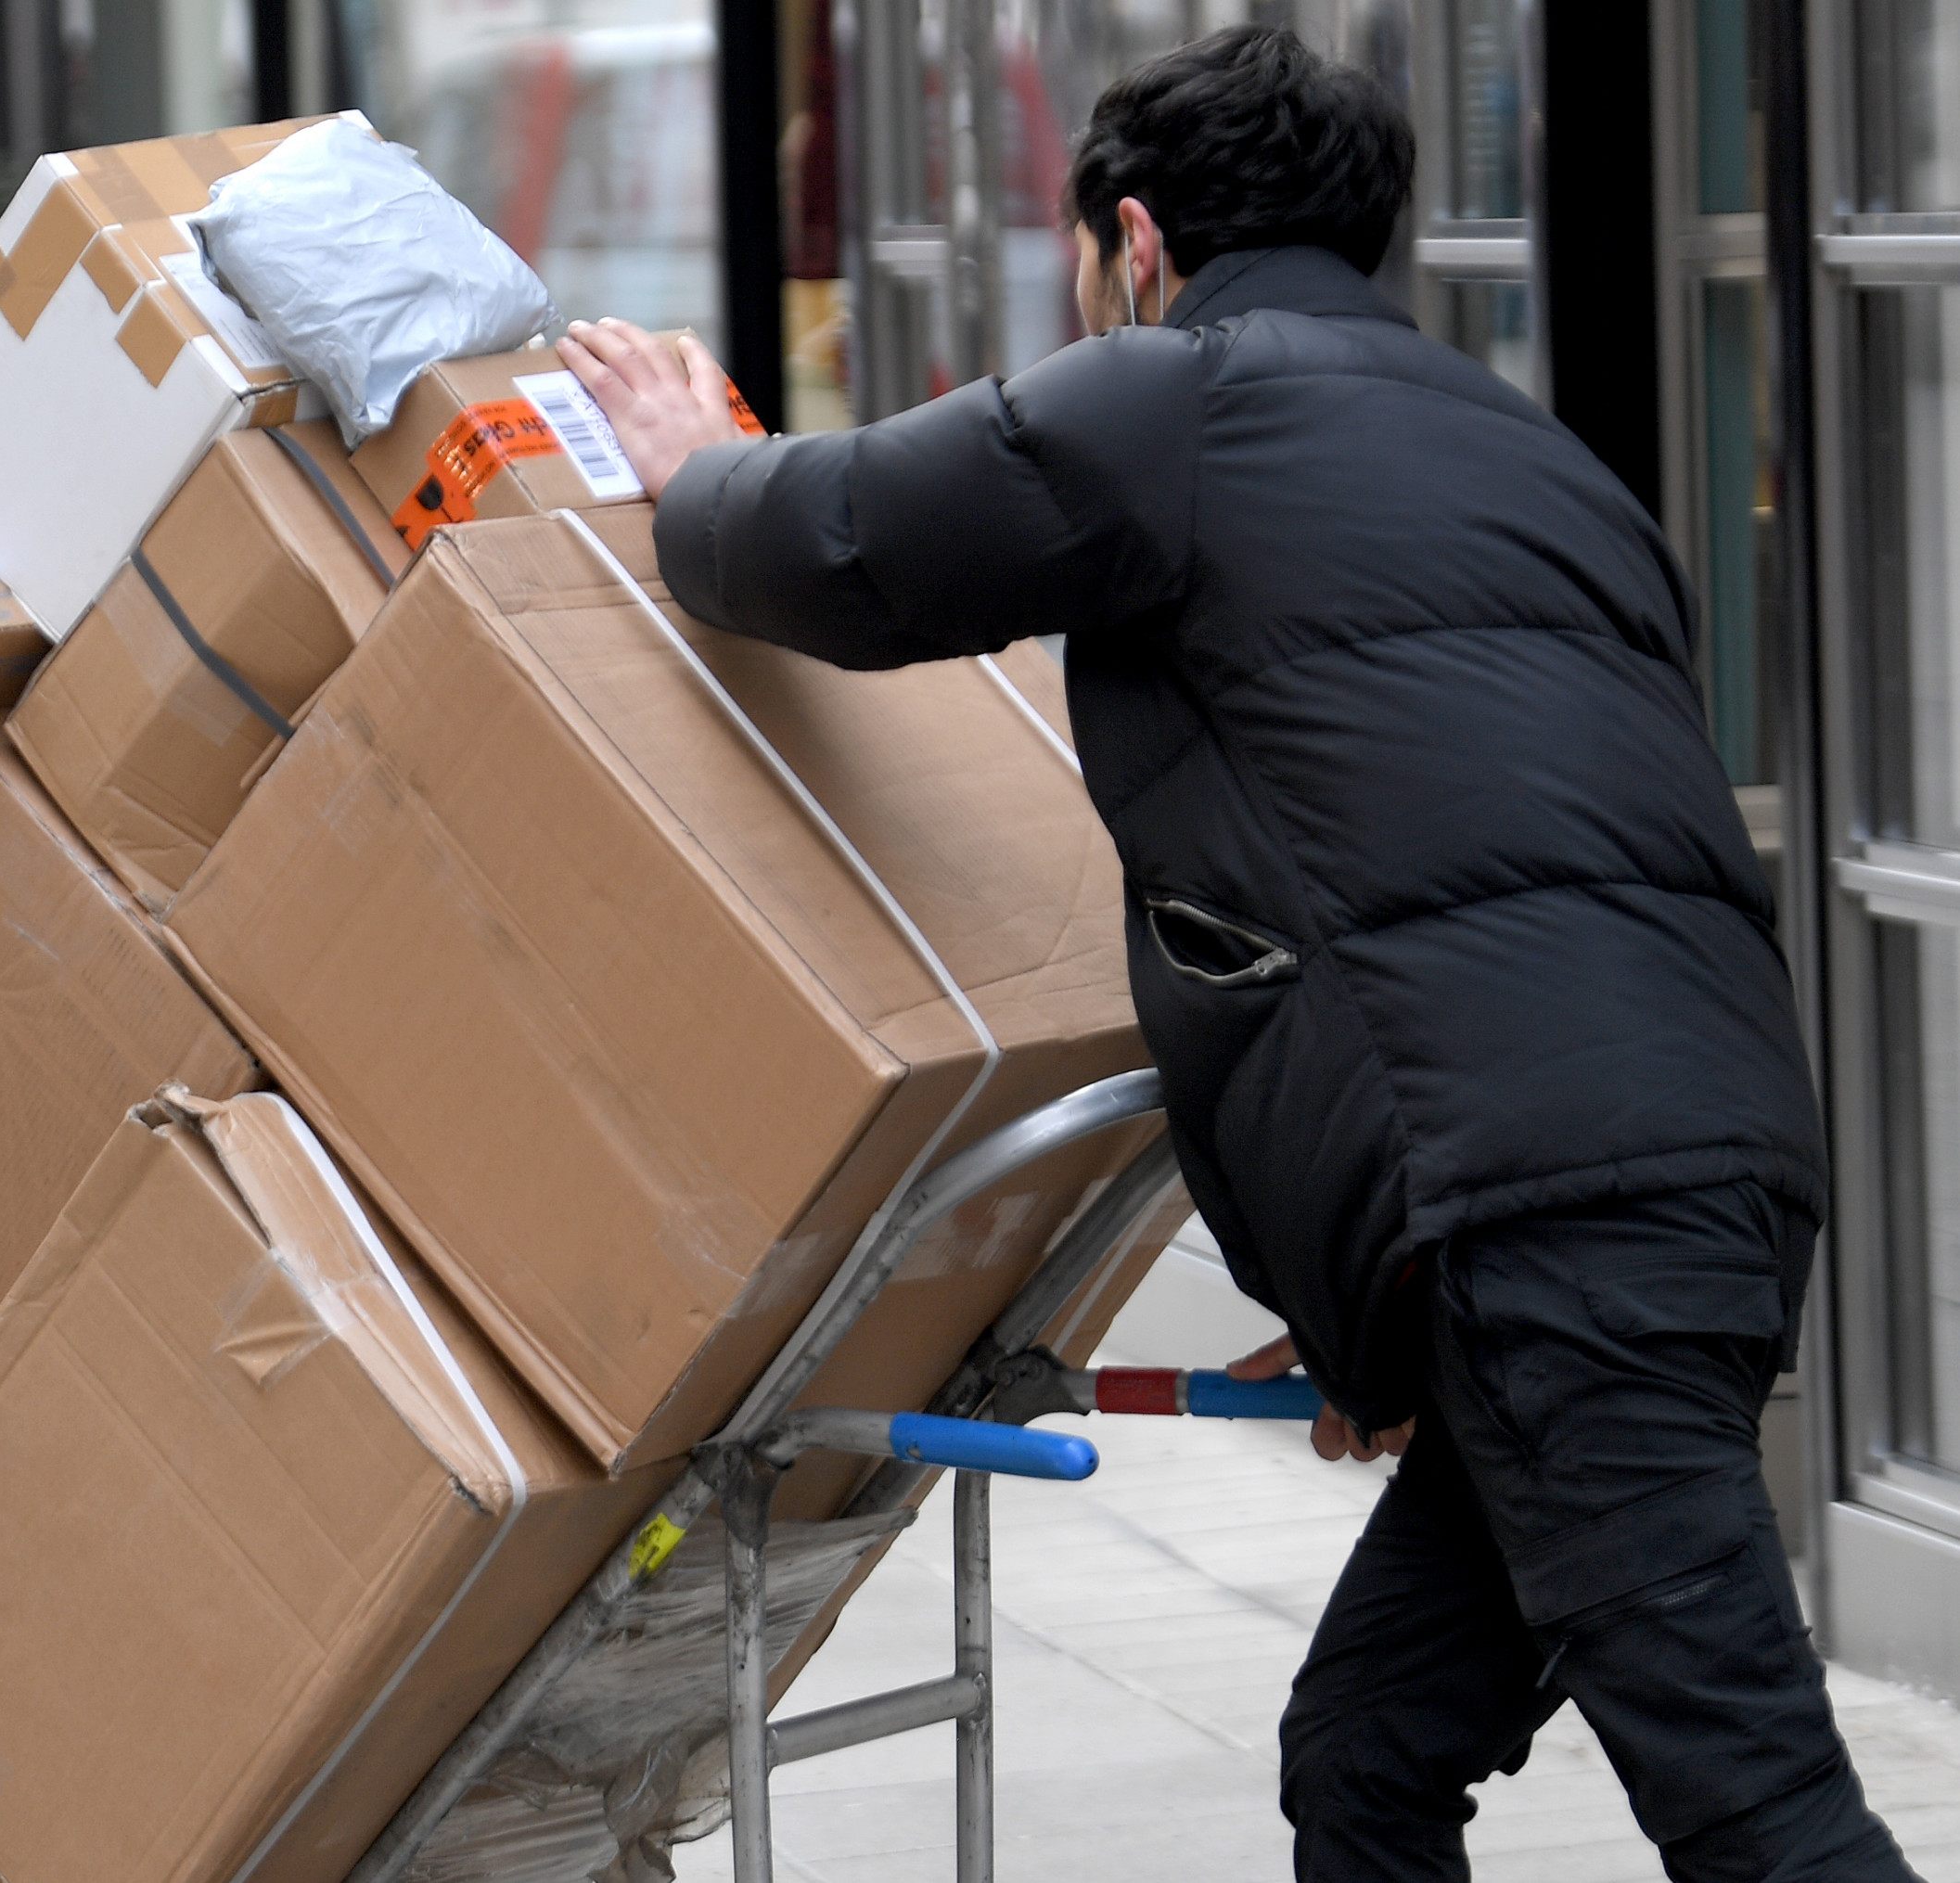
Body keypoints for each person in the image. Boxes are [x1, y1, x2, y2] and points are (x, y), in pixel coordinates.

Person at [560, 24, 1917, 1883]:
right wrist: (1390, 1285)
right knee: (1366, 1748)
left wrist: (682, 467)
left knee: (1756, 1808)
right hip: (1685, 1183)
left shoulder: (1182, 396)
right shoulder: (1531, 453)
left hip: (1545, 1224)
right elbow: (1442, 863)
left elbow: (844, 543)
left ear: (1138, 239)